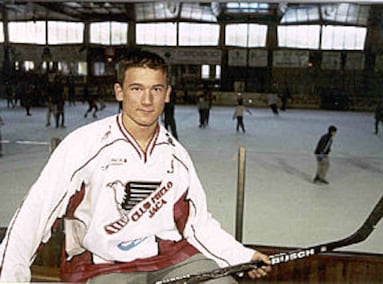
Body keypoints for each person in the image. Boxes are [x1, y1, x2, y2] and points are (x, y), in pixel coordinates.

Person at [0, 50, 270, 283]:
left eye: (156, 89)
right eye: (137, 88)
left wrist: (242, 255)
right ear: (120, 91)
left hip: (170, 258)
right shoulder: (84, 145)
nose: (147, 100)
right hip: (103, 264)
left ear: (167, 94)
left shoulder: (176, 155)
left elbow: (197, 224)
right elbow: (35, 212)